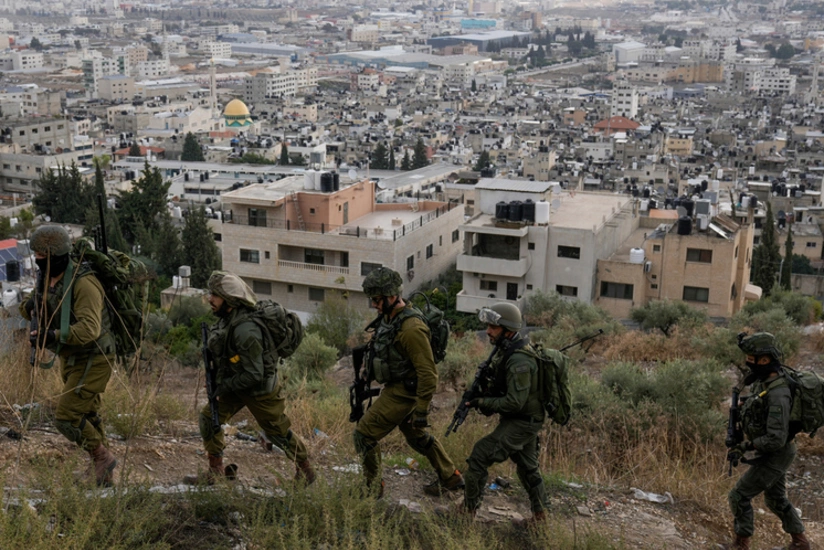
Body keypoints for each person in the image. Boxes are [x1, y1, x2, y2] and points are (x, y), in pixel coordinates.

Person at [187, 271, 315, 485]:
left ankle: (305, 469)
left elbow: (255, 374)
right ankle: (216, 471)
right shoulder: (228, 320)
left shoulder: (246, 330)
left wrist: (223, 387)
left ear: (229, 300)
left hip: (260, 390)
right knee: (209, 419)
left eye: (215, 295)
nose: (210, 299)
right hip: (236, 384)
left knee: (277, 433)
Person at [21, 225, 118, 486]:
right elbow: (32, 308)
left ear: (56, 255)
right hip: (72, 357)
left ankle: (102, 458)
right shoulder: (48, 278)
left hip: (94, 357)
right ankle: (104, 476)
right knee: (88, 414)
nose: (38, 261)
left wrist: (52, 336)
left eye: (42, 256)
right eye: (36, 256)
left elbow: (89, 328)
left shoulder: (84, 283)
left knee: (67, 417)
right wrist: (30, 307)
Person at [354, 267, 463, 497]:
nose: (374, 304)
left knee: (364, 434)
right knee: (416, 436)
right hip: (396, 386)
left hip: (404, 392)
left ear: (392, 296)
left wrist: (421, 410)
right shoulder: (390, 318)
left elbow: (428, 372)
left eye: (377, 299)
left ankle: (373, 488)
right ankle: (450, 476)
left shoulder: (411, 328)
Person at [460, 303, 549, 526]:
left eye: (493, 327)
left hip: (522, 421)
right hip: (525, 419)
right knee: (528, 468)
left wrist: (482, 402)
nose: (488, 331)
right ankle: (540, 519)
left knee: (480, 455)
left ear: (508, 330)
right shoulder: (506, 349)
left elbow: (514, 403)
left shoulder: (519, 360)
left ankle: (466, 513)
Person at [724, 333, 810, 550]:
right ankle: (800, 544)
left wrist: (744, 446)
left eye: (753, 358)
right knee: (775, 499)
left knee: (739, 495)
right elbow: (761, 406)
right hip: (775, 451)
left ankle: (740, 545)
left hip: (777, 452)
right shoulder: (766, 382)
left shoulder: (778, 392)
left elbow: (775, 438)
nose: (749, 362)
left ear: (765, 360)